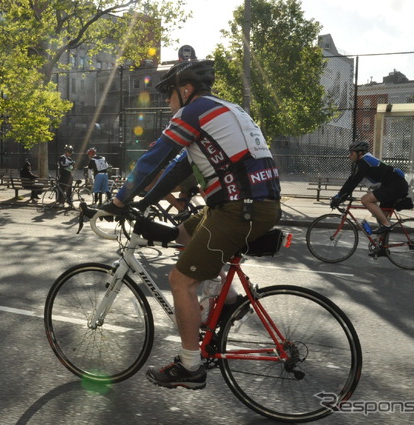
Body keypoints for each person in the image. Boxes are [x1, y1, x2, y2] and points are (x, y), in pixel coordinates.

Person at [102, 60, 281, 389]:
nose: (168, 103)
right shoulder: (225, 109)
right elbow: (177, 168)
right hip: (250, 205)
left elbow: (151, 160)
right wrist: (144, 201)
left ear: (185, 90)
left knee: (180, 281)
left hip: (238, 209)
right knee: (183, 233)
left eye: (169, 95)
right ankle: (229, 302)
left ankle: (190, 366)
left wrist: (117, 201)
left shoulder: (192, 113)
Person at [331, 141, 409, 234]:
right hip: (394, 185)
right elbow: (352, 180)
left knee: (365, 200)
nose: (349, 156)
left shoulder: (365, 162)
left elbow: (353, 181)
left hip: (395, 186)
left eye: (351, 153)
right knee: (381, 219)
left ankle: (386, 225)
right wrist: (341, 196)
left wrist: (340, 196)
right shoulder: (365, 160)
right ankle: (382, 247)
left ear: (360, 153)